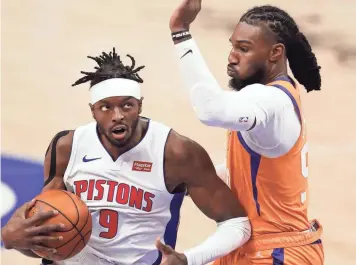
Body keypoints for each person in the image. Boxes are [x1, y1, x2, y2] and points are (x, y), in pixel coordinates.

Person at [1, 48, 251, 265]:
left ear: (140, 105)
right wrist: (13, 239)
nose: (117, 115)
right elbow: (51, 235)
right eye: (106, 107)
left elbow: (237, 224)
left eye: (127, 105)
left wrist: (189, 259)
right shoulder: (67, 146)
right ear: (93, 111)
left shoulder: (176, 152)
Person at [169, 1, 324, 264]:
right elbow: (245, 176)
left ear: (275, 53)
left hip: (276, 251)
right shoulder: (275, 99)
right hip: (255, 246)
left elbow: (211, 110)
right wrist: (179, 181)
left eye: (244, 49)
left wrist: (180, 30)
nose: (232, 56)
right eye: (233, 46)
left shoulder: (270, 101)